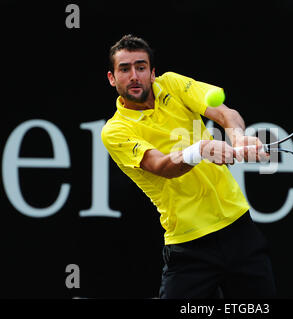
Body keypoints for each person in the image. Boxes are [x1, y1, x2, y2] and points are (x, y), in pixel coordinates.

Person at [102, 34, 276, 298]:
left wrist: (238, 136)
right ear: (112, 78)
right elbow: (161, 166)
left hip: (238, 229)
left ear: (152, 73)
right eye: (124, 69)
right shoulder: (115, 130)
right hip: (189, 245)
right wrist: (201, 149)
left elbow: (225, 113)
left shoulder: (172, 83)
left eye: (141, 67)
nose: (134, 75)